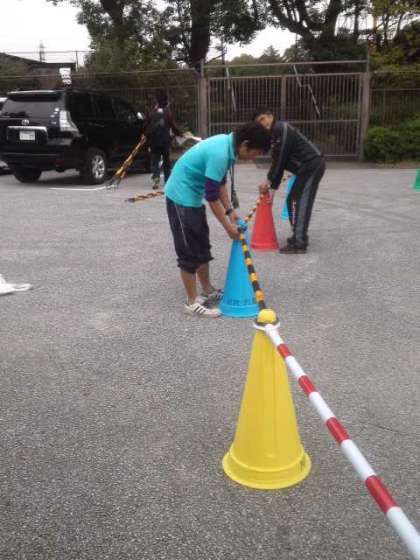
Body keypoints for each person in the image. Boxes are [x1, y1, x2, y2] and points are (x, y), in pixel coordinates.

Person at [165, 122, 271, 318]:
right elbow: (212, 197)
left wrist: (230, 211)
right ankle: (191, 302)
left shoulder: (228, 147)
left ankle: (207, 290)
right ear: (245, 144)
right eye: (255, 152)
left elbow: (219, 182)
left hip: (193, 197)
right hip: (180, 196)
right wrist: (228, 228)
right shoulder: (221, 153)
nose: (254, 157)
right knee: (188, 249)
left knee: (202, 245)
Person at [253, 108, 326, 254]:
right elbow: (277, 162)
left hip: (311, 165)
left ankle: (299, 242)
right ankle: (297, 236)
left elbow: (280, 160)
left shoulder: (281, 128)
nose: (262, 123)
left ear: (270, 116)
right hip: (304, 169)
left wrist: (270, 184)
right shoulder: (274, 135)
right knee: (292, 200)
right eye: (259, 122)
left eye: (263, 119)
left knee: (300, 202)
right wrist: (272, 187)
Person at [146, 91, 183, 190]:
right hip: (165, 142)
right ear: (166, 101)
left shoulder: (152, 112)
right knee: (166, 161)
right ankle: (167, 181)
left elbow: (146, 126)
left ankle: (156, 179)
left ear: (156, 101)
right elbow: (173, 126)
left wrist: (147, 137)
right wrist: (180, 134)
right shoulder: (168, 113)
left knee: (155, 160)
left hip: (154, 142)